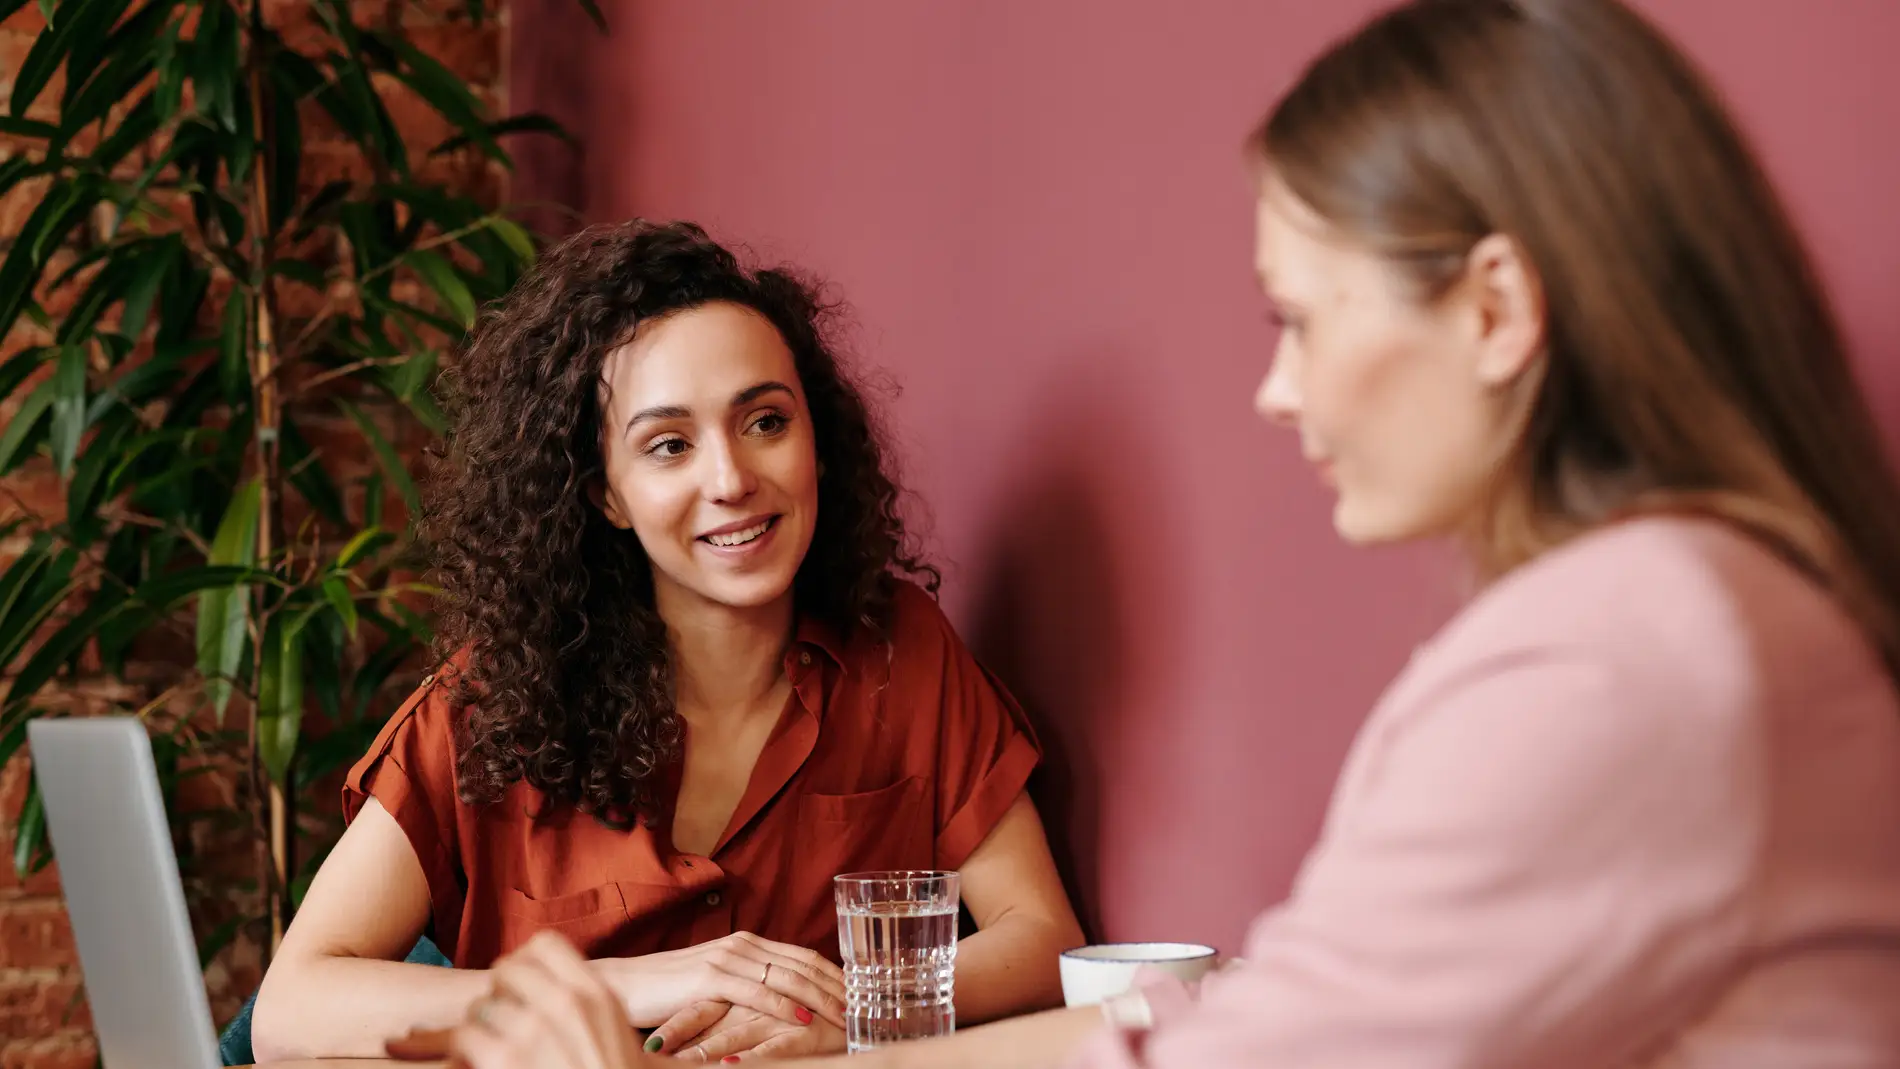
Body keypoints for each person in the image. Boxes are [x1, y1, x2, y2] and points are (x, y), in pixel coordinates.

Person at [421, 0, 1900, 1066]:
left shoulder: (1615, 664)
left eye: (1302, 319)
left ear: (1500, 309)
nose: (1277, 388)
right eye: (667, 445)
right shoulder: (1711, 610)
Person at [248, 221, 1084, 1062]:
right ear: (606, 494)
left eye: (764, 422)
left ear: (816, 444)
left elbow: (1044, 935)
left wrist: (846, 1010)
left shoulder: (900, 653)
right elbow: (291, 1009)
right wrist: (647, 980)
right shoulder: (492, 702)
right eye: (669, 445)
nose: (729, 480)